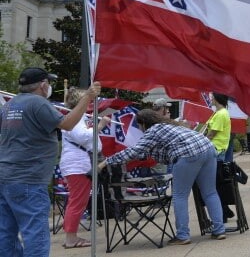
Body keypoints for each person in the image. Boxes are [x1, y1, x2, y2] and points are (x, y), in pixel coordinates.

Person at [0, 68, 99, 257]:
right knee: (35, 234)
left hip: (5, 176)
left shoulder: (9, 105)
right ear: (43, 85)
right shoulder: (38, 103)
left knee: (6, 233)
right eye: (49, 83)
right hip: (29, 178)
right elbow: (68, 124)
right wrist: (87, 97)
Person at [99, 109, 226, 245]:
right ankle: (219, 230)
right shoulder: (169, 126)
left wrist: (106, 162)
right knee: (210, 192)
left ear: (143, 123)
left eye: (138, 125)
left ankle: (183, 235)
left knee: (180, 196)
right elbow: (148, 153)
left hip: (187, 154)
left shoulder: (153, 130)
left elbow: (135, 151)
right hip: (208, 148)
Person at [58, 88, 111, 249]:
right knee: (77, 202)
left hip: (79, 164)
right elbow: (82, 137)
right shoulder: (75, 117)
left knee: (77, 201)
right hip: (77, 165)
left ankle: (71, 235)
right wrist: (100, 125)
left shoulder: (78, 117)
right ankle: (71, 238)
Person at [206, 93, 231, 160]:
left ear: (217, 98)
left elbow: (211, 134)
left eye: (212, 97)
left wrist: (200, 145)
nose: (211, 99)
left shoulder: (221, 114)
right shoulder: (219, 112)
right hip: (215, 149)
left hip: (216, 150)